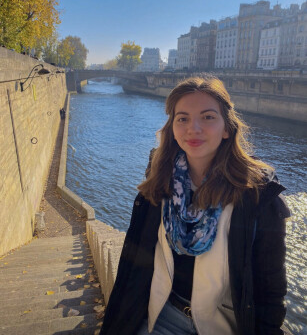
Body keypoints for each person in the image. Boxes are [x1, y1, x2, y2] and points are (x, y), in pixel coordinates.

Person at [100, 76, 290, 335]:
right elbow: (136, 258)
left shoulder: (258, 195)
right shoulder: (159, 177)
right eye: (183, 118)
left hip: (222, 325)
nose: (194, 128)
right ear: (173, 127)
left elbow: (270, 291)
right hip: (160, 313)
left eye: (208, 117)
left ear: (226, 128)